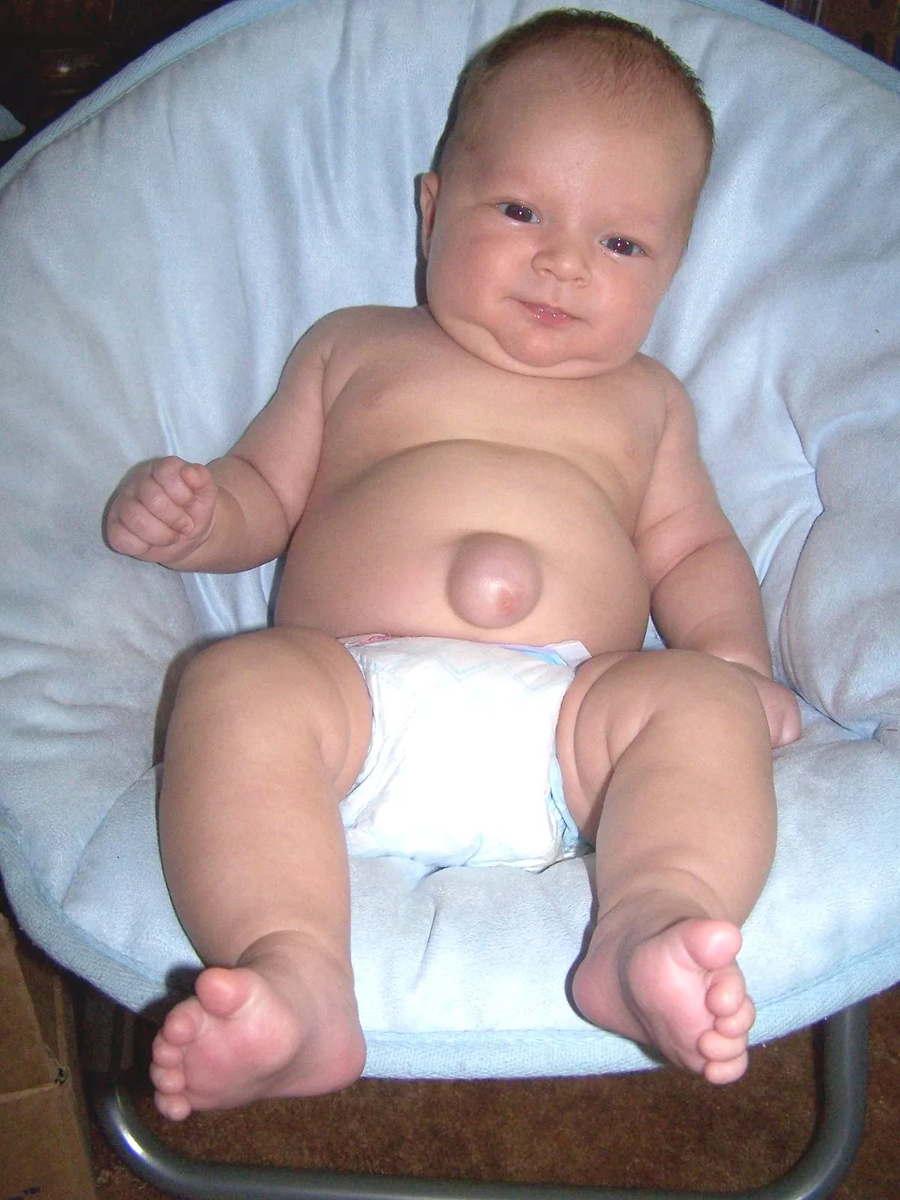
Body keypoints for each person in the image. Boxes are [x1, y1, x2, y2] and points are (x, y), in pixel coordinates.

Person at [105, 8, 801, 1120]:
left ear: (672, 267)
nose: (562, 262)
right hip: (352, 699)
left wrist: (731, 659)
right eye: (521, 211)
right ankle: (295, 970)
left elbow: (694, 546)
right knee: (234, 683)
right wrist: (199, 519)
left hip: (574, 729)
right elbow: (264, 494)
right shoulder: (354, 348)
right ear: (433, 209)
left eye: (621, 245)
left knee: (699, 708)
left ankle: (647, 923)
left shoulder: (648, 402)